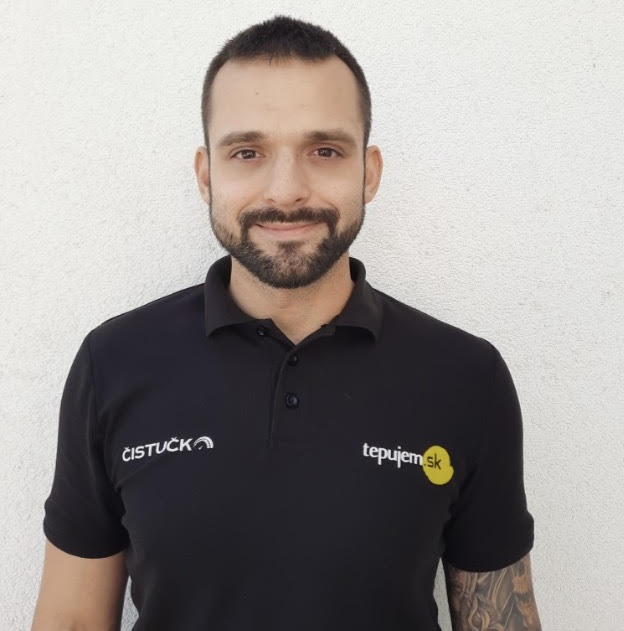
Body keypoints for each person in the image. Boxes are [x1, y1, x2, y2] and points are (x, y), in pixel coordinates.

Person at [32, 16, 541, 631]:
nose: (287, 190)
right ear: (206, 175)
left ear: (369, 172)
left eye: (324, 151)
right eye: (247, 153)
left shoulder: (465, 377)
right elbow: (71, 619)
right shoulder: (115, 361)